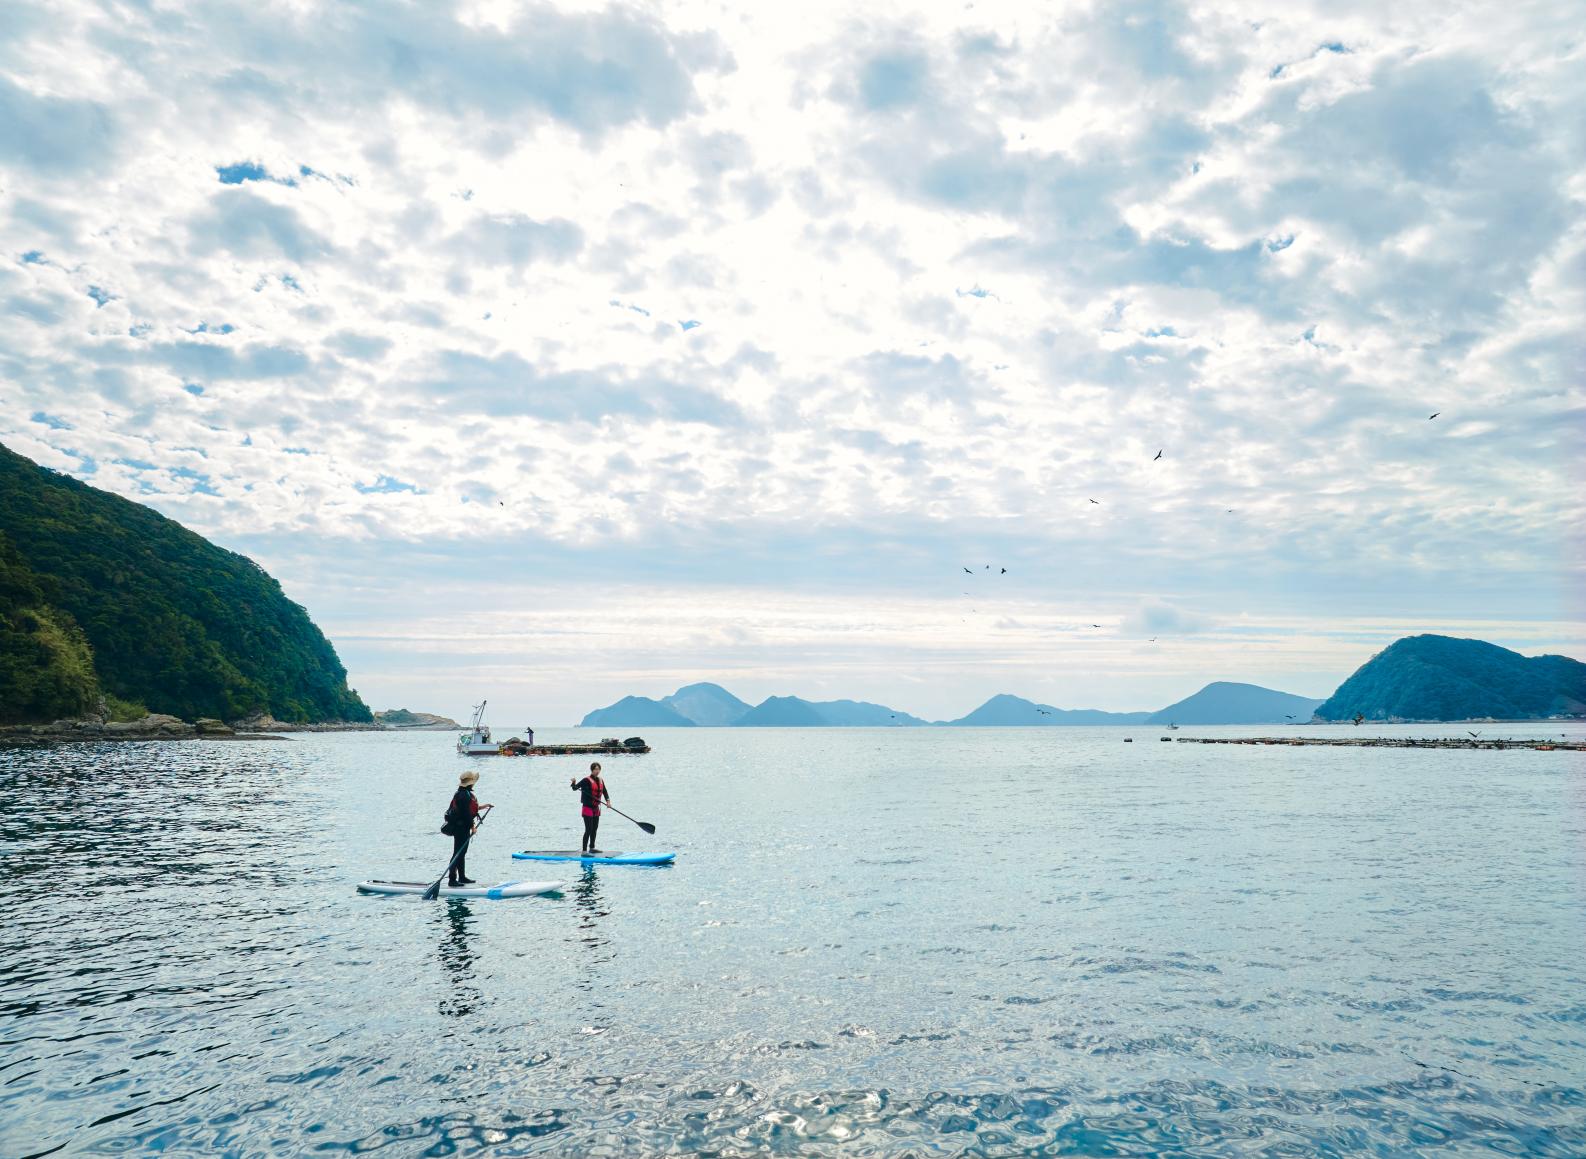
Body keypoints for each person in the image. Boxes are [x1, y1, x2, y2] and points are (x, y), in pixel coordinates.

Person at [445, 770, 492, 886]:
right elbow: (465, 813)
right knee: (458, 852)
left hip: (463, 826)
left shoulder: (463, 793)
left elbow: (469, 809)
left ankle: (462, 877)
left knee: (462, 852)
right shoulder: (463, 795)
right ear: (470, 783)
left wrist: (483, 806)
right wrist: (472, 826)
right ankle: (452, 879)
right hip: (460, 828)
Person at [570, 762, 610, 854]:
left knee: (595, 828)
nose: (597, 771)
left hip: (596, 808)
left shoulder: (600, 780)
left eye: (598, 769)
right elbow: (575, 788)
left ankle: (592, 847)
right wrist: (573, 783)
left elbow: (605, 791)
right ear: (592, 770)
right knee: (588, 829)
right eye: (595, 769)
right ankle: (584, 851)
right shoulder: (586, 780)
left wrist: (608, 802)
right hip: (587, 808)